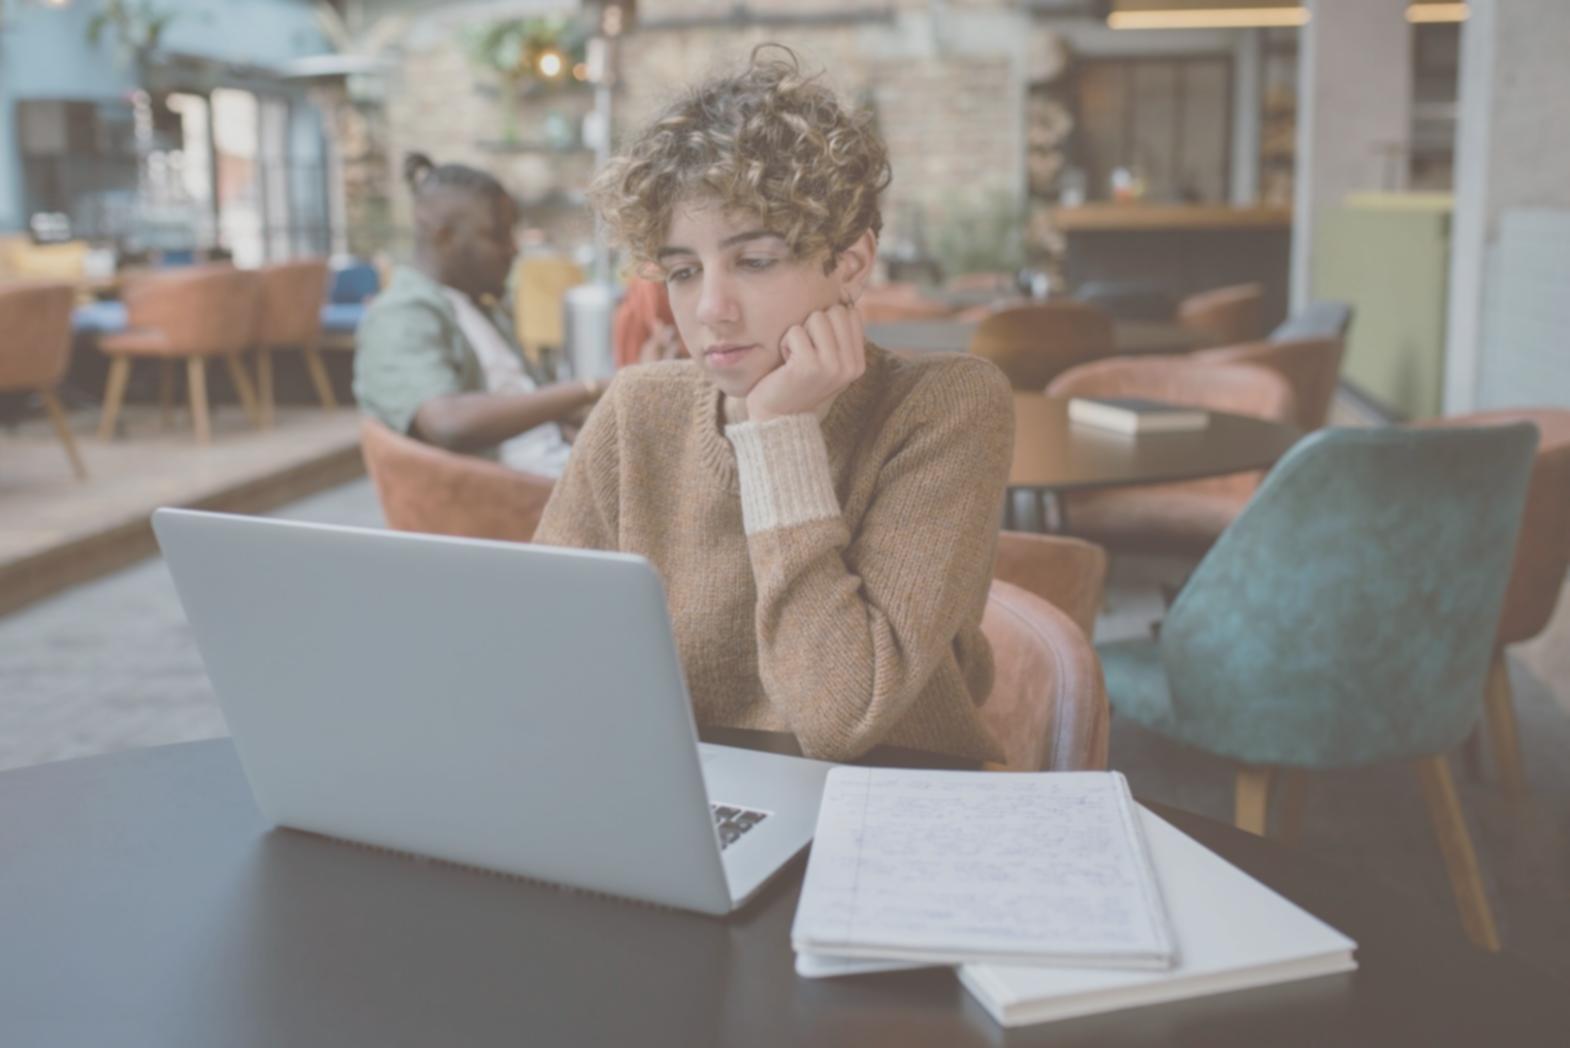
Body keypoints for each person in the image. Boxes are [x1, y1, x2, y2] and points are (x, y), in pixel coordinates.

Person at [533, 47, 1013, 763]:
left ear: (849, 263)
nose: (712, 311)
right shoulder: (638, 411)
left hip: (891, 805)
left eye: (755, 261)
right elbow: (539, 661)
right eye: (683, 272)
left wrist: (780, 433)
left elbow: (838, 719)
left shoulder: (945, 408)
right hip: (685, 799)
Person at [353, 153, 602, 475]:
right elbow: (447, 422)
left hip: (557, 479)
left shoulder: (482, 308)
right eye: (498, 234)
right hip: (513, 503)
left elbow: (539, 412)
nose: (513, 249)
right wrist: (589, 387)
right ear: (443, 236)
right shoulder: (400, 315)